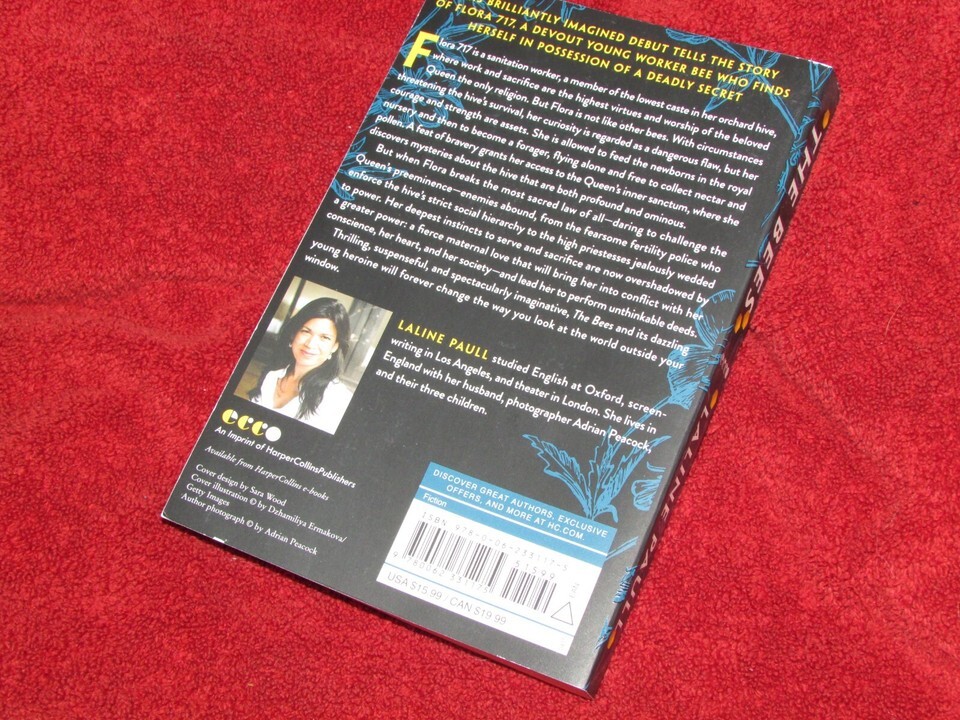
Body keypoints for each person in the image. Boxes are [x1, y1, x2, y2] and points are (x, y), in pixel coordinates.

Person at [250, 297, 353, 433]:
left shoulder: (339, 398)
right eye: (306, 331)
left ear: (335, 346)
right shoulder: (272, 376)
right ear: (293, 335)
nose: (310, 344)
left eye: (325, 337)